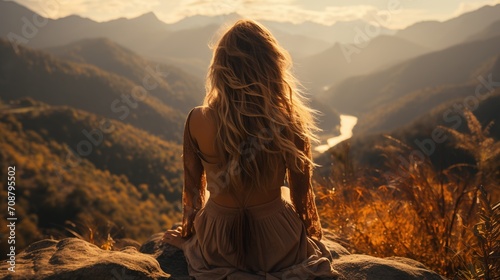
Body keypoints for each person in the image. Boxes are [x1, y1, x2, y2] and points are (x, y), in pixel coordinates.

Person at [162, 19, 339, 279]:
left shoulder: (197, 120)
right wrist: (309, 237)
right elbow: (302, 195)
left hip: (218, 242)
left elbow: (193, 192)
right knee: (285, 195)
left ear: (220, 68)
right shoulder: (289, 122)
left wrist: (189, 238)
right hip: (277, 242)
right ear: (271, 65)